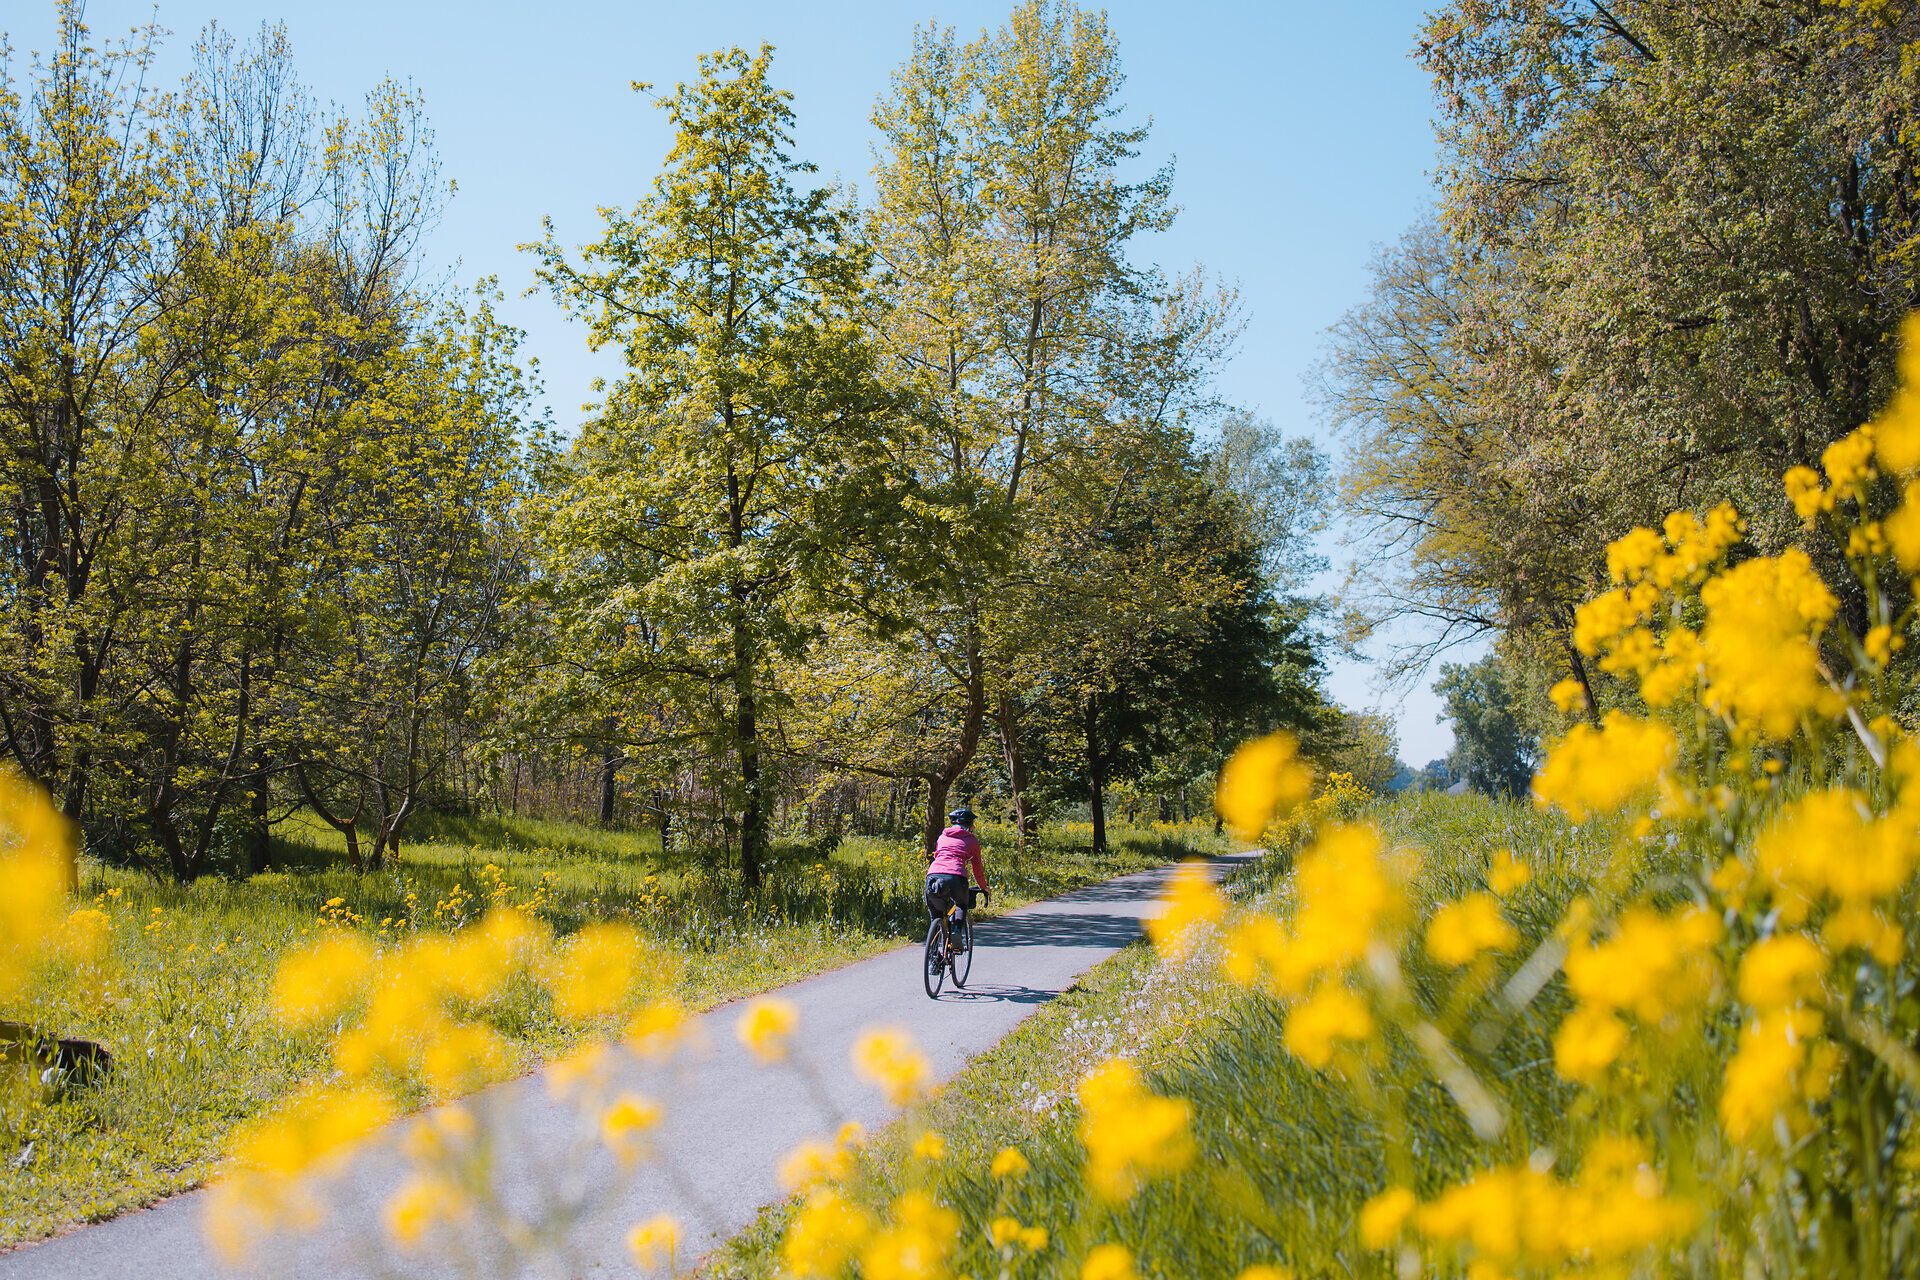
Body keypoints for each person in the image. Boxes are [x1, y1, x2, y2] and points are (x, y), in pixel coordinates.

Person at [926, 807, 991, 947]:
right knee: (961, 904)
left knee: (936, 915)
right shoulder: (972, 840)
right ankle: (956, 931)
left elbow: (938, 855)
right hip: (956, 876)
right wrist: (983, 887)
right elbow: (977, 868)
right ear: (969, 825)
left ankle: (934, 957)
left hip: (933, 875)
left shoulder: (942, 837)